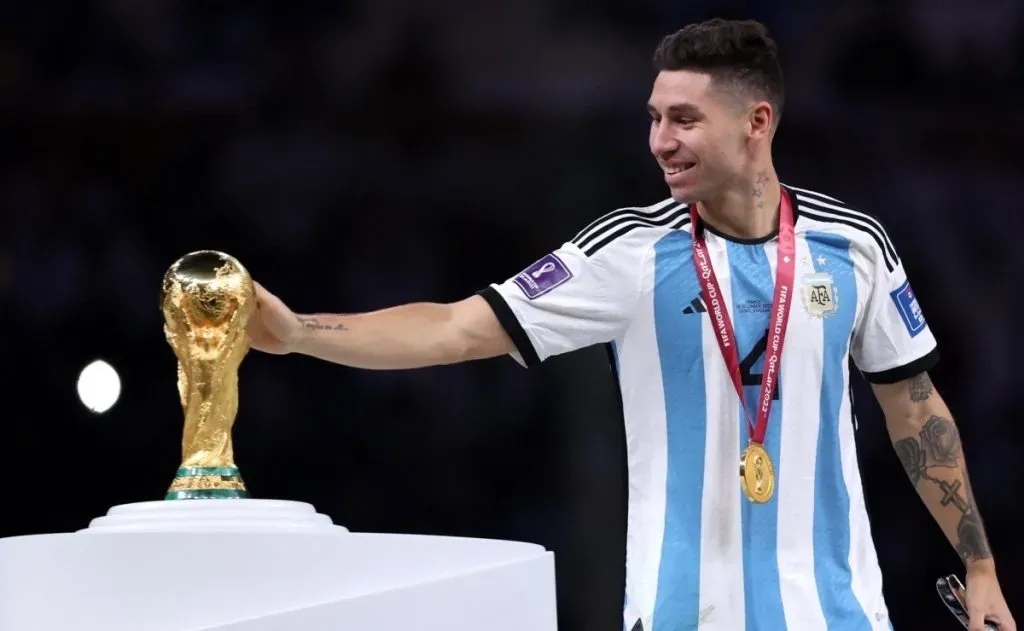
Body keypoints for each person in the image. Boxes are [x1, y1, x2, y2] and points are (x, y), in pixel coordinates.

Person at [245, 18, 1016, 631]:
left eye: (683, 119)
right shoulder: (628, 250)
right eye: (653, 118)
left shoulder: (853, 246)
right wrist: (304, 332)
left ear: (757, 121)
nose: (659, 141)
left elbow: (914, 408)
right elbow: (456, 327)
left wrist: (978, 565)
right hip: (679, 615)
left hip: (839, 614)